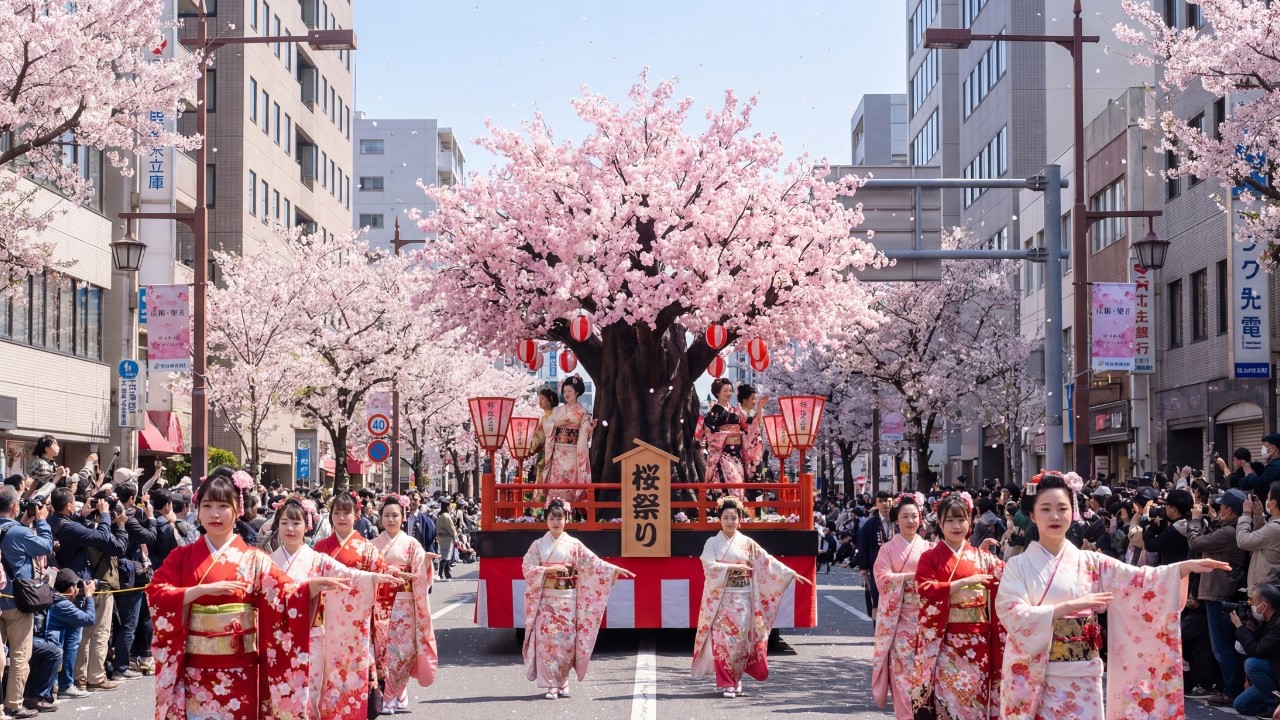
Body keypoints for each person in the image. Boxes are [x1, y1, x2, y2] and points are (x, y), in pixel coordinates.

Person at [995, 473, 1229, 719]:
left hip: (1083, 675)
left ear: (1072, 511)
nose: (1055, 516)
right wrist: (1072, 605)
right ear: (1032, 515)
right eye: (1046, 509)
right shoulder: (1018, 566)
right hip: (1036, 676)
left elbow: (1139, 582)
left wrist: (1181, 569)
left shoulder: (1091, 561)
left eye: (1062, 508)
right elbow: (1012, 613)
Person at [146, 469, 346, 720]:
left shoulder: (255, 560)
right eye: (207, 505)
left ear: (238, 508)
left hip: (241, 668)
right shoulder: (181, 557)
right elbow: (155, 593)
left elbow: (285, 597)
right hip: (196, 671)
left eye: (222, 505)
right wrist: (195, 592)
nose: (214, 513)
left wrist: (309, 589)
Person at [268, 496, 401, 719]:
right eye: (284, 523)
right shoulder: (268, 562)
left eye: (296, 523)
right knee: (281, 695)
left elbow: (349, 575)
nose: (290, 529)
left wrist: (378, 577)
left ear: (307, 525)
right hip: (279, 639)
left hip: (314, 635)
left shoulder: (317, 559)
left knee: (311, 692)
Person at [691, 496, 812, 698]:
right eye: (726, 517)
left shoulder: (747, 543)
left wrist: (790, 573)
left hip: (743, 599)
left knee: (740, 644)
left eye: (734, 518)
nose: (730, 522)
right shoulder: (712, 543)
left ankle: (736, 679)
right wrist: (733, 567)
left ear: (740, 520)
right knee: (723, 642)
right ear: (719, 519)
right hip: (722, 600)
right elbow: (708, 566)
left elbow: (767, 562)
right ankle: (726, 682)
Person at [521, 497, 634, 698]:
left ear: (566, 519)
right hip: (547, 601)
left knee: (566, 642)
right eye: (552, 518)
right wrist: (548, 570)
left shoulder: (574, 544)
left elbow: (593, 564)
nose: (556, 522)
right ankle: (551, 684)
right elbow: (527, 568)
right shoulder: (537, 545)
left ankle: (563, 681)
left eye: (560, 517)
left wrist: (613, 569)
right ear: (546, 520)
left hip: (567, 600)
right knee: (548, 643)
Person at [911, 492, 1004, 720]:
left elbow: (1012, 580)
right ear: (939, 523)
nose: (956, 526)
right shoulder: (930, 558)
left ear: (970, 521)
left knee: (976, 704)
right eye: (949, 520)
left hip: (978, 644)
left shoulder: (983, 559)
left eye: (961, 519)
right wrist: (963, 583)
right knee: (949, 703)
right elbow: (925, 589)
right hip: (946, 644)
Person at [371, 496, 439, 714]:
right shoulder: (372, 546)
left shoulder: (411, 544)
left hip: (405, 605)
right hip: (380, 605)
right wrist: (388, 573)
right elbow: (367, 574)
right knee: (384, 652)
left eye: (395, 515)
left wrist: (426, 563)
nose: (390, 519)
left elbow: (420, 575)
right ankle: (393, 693)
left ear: (403, 518)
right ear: (380, 518)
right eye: (386, 515)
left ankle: (394, 693)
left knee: (403, 651)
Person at [870, 495, 931, 720]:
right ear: (896, 520)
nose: (910, 521)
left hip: (927, 621)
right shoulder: (887, 549)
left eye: (914, 516)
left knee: (925, 675)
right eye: (905, 516)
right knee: (903, 676)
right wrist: (911, 577)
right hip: (900, 622)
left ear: (921, 518)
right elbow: (882, 578)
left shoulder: (929, 547)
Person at [1189, 488, 1250, 706]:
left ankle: (1232, 691)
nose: (1218, 509)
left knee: (1222, 646)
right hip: (1221, 590)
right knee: (1224, 645)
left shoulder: (1228, 533)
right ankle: (1231, 688)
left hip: (1218, 592)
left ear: (1230, 510)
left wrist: (1195, 521)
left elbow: (1195, 543)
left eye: (1221, 506)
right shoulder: (1231, 528)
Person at [0, 485, 53, 719]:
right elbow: (45, 546)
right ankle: (13, 704)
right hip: (16, 602)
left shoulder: (15, 530)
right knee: (20, 654)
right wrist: (41, 521)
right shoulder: (18, 533)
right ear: (14, 506)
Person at [42, 569, 95, 704]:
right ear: (71, 589)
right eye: (76, 585)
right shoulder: (60, 603)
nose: (78, 588)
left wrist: (80, 597)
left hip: (51, 642)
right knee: (75, 633)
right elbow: (89, 619)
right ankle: (62, 686)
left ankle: (64, 685)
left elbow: (77, 618)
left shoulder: (53, 596)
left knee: (74, 633)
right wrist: (88, 596)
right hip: (50, 646)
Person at [541, 376, 593, 505]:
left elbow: (585, 431)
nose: (566, 394)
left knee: (571, 482)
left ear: (577, 392)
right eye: (564, 391)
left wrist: (589, 427)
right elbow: (546, 425)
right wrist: (557, 424)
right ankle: (553, 510)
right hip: (558, 452)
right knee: (555, 483)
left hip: (573, 453)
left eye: (570, 391)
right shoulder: (557, 411)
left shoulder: (582, 413)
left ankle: (572, 511)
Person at [1230, 583, 1280, 718]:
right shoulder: (1266, 620)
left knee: (1252, 664)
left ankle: (1275, 706)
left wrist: (1239, 627)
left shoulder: (1277, 625)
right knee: (1240, 705)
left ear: (1264, 605)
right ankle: (1271, 699)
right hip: (1272, 675)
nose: (1249, 603)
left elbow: (1255, 650)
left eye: (1253, 601)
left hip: (1276, 673)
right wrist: (1251, 630)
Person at [703, 379, 748, 501]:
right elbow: (711, 434)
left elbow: (746, 428)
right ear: (718, 393)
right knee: (733, 481)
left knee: (739, 479)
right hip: (722, 453)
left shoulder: (735, 410)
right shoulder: (713, 413)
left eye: (730, 390)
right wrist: (727, 433)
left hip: (736, 454)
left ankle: (737, 511)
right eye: (725, 390)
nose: (729, 393)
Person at [857, 491, 896, 622]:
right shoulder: (870, 524)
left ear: (893, 501)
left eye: (888, 500)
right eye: (881, 501)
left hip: (897, 566)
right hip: (876, 567)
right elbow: (863, 546)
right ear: (876, 503)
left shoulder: (898, 521)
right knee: (877, 597)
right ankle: (878, 631)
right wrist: (863, 566)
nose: (885, 504)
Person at [1238, 481, 1280, 591]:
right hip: (1269, 588)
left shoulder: (1274, 528)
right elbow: (1265, 539)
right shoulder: (1274, 526)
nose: (1267, 500)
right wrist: (1258, 515)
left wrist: (1246, 514)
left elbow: (1243, 541)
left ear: (1273, 503)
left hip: (1264, 590)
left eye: (1268, 497)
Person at [736, 384, 768, 481]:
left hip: (755, 451)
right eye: (752, 399)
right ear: (744, 399)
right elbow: (752, 426)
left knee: (757, 480)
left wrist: (760, 408)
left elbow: (757, 425)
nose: (754, 402)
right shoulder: (737, 412)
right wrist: (759, 408)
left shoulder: (749, 413)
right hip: (744, 450)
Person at [436, 502, 457, 580]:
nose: (451, 508)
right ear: (447, 507)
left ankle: (447, 573)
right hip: (447, 537)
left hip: (441, 536)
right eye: (450, 506)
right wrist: (455, 537)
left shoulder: (440, 515)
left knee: (445, 555)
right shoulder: (446, 516)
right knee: (446, 556)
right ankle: (440, 573)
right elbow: (451, 527)